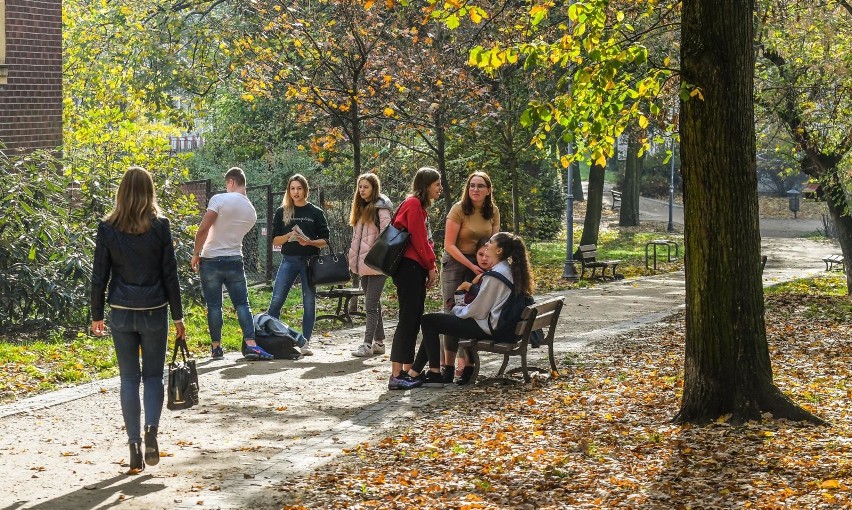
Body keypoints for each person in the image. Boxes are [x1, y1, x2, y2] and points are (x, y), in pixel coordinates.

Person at [91, 166, 185, 474]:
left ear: (121, 192)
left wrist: (96, 315)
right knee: (153, 377)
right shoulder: (160, 226)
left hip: (121, 310)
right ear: (150, 191)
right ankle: (151, 432)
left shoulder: (107, 228)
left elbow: (99, 275)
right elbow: (170, 274)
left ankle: (133, 445)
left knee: (129, 379)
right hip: (154, 310)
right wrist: (178, 315)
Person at [408, 232, 534, 387]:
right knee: (434, 321)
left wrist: (457, 309)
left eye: (491, 242)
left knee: (428, 321)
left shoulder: (495, 275)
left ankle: (434, 373)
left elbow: (477, 310)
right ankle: (415, 372)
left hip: (491, 328)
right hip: (503, 327)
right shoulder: (508, 270)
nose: (487, 244)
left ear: (499, 250)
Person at [192, 167, 272, 361]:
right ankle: (252, 344)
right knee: (242, 303)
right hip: (235, 259)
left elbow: (203, 229)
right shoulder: (251, 211)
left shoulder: (219, 199)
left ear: (231, 182)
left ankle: (217, 348)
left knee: (214, 305)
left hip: (210, 259)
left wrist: (196, 254)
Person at [440, 172, 500, 384]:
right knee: (452, 311)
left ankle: (468, 363)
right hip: (456, 263)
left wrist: (487, 265)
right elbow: (449, 244)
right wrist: (471, 266)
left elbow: (494, 243)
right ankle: (447, 365)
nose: (475, 189)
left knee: (474, 311)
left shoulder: (492, 211)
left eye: (480, 186)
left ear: (488, 190)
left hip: (480, 262)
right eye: (472, 185)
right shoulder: (458, 209)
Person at [388, 166, 442, 390]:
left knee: (412, 318)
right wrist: (431, 266)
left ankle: (406, 371)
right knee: (408, 319)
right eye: (436, 184)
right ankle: (396, 374)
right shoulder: (413, 205)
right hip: (410, 267)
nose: (439, 188)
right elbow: (419, 241)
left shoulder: (418, 206)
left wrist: (430, 266)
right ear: (426, 184)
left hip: (414, 267)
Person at [266, 174, 330, 355]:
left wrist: (309, 242)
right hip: (289, 261)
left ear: (305, 190)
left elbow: (326, 240)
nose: (296, 192)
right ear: (289, 191)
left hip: (310, 262)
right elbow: (275, 240)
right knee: (276, 301)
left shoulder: (315, 212)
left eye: (299, 188)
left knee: (309, 303)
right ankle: (273, 340)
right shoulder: (282, 211)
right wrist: (289, 236)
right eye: (292, 188)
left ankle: (305, 343)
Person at [347, 173, 393, 357]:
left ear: (374, 188)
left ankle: (367, 344)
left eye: (366, 187)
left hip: (377, 263)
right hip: (363, 264)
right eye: (360, 187)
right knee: (373, 304)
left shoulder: (380, 209)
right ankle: (379, 343)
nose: (362, 190)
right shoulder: (361, 208)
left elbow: (387, 235)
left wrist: (377, 254)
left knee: (370, 305)